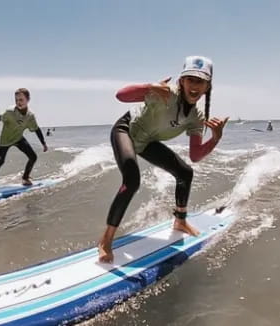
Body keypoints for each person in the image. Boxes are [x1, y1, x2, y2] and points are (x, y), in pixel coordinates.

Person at [98, 56, 229, 263]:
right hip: (126, 130)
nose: (194, 86)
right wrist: (150, 87)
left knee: (185, 172)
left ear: (207, 86)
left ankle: (180, 222)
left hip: (147, 140)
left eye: (200, 81)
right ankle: (106, 240)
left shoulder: (196, 117)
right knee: (131, 179)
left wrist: (215, 138)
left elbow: (195, 155)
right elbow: (120, 95)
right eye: (190, 79)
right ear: (182, 81)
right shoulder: (165, 94)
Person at [0, 88, 48, 193]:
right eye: (16, 100)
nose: (18, 102)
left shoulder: (30, 116)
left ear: (28, 99)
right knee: (0, 160)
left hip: (18, 138)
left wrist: (43, 143)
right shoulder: (10, 112)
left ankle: (25, 178)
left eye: (21, 100)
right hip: (6, 139)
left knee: (33, 157)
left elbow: (37, 129)